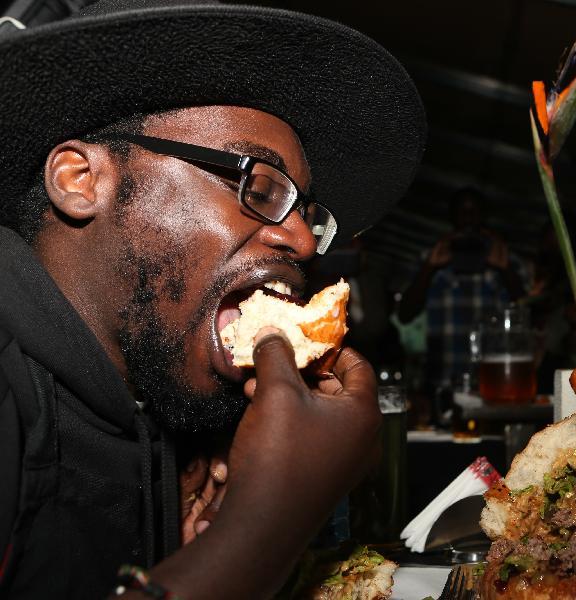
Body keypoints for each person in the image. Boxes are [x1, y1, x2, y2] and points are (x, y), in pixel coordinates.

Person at [0, 0, 425, 597]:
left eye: (306, 211)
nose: (302, 240)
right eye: (260, 184)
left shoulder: (163, 424)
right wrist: (264, 529)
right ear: (81, 180)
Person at [396, 187, 525, 389]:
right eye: (462, 211)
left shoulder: (506, 259)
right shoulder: (431, 259)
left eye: (474, 211)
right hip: (443, 381)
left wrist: (506, 269)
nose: (468, 218)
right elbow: (405, 314)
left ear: (484, 216)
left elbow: (528, 316)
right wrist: (429, 268)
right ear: (451, 216)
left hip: (494, 380)